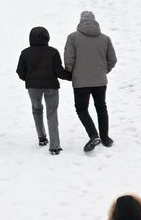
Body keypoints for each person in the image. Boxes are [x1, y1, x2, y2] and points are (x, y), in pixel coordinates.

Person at [64, 10, 117, 152]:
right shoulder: (105, 39)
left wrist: (72, 72)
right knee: (101, 107)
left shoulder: (73, 37)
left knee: (81, 109)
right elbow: (112, 59)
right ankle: (105, 138)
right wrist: (103, 71)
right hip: (100, 81)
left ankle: (93, 135)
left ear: (80, 21)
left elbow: (69, 59)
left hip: (80, 82)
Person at [16, 26, 66, 154]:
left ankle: (42, 137)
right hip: (51, 87)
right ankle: (55, 146)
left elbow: (20, 72)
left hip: (33, 87)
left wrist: (30, 80)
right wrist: (73, 76)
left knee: (37, 110)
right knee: (52, 113)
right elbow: (59, 72)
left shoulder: (25, 53)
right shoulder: (53, 52)